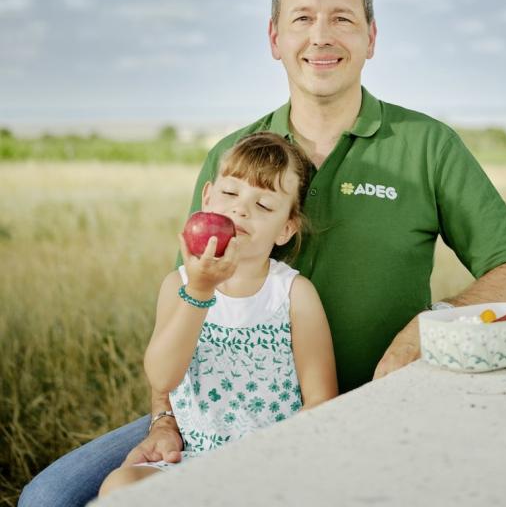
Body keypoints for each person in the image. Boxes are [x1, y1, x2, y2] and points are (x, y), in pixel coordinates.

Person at [20, 0, 506, 507]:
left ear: (371, 38)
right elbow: (187, 303)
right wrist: (163, 417)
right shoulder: (233, 161)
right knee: (49, 498)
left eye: (342, 18)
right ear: (275, 38)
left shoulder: (428, 146)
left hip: (371, 411)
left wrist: (425, 328)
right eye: (302, 18)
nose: (321, 36)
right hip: (221, 416)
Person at [98, 131, 337, 497]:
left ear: (286, 229)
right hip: (193, 458)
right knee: (120, 486)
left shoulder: (293, 294)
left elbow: (321, 400)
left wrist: (282, 461)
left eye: (264, 205)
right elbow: (162, 377)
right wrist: (200, 290)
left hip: (271, 463)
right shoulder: (178, 286)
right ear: (207, 197)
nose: (241, 210)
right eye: (230, 193)